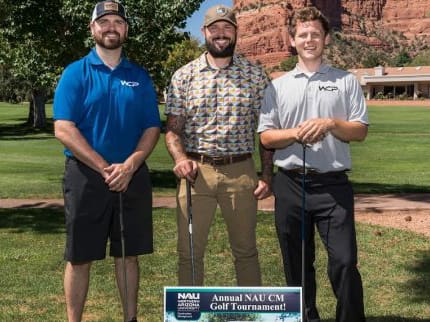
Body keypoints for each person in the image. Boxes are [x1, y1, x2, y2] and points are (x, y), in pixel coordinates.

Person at [258, 6, 368, 322]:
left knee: (345, 262)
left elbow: (359, 131)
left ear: (327, 38)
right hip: (290, 184)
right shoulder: (277, 86)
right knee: (297, 264)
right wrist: (297, 132)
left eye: (315, 34)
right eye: (303, 34)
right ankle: (306, 318)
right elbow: (266, 138)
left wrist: (331, 123)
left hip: (333, 186)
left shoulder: (346, 81)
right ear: (292, 40)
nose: (309, 40)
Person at [53, 1, 161, 321]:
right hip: (85, 176)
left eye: (117, 21)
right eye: (104, 21)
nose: (110, 26)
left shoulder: (139, 76)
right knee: (80, 258)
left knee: (128, 256)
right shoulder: (75, 72)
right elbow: (63, 128)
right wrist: (105, 168)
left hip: (132, 175)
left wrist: (129, 166)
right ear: (93, 29)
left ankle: (131, 319)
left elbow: (151, 127)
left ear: (125, 29)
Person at [165, 4, 273, 286]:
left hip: (241, 171)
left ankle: (252, 316)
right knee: (189, 253)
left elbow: (267, 131)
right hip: (196, 172)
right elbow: (173, 131)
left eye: (227, 28)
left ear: (236, 32)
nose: (221, 34)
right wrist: (179, 158)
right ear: (204, 32)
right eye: (215, 29)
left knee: (246, 251)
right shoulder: (184, 76)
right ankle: (188, 316)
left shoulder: (255, 75)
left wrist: (266, 176)